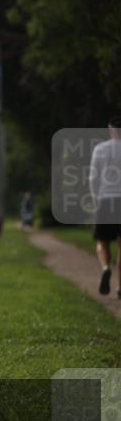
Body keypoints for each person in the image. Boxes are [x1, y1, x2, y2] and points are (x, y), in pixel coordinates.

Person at [90, 116, 121, 297]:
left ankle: (105, 267)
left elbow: (93, 178)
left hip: (105, 199)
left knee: (102, 242)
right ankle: (120, 288)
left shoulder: (100, 149)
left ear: (110, 130)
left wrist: (95, 199)